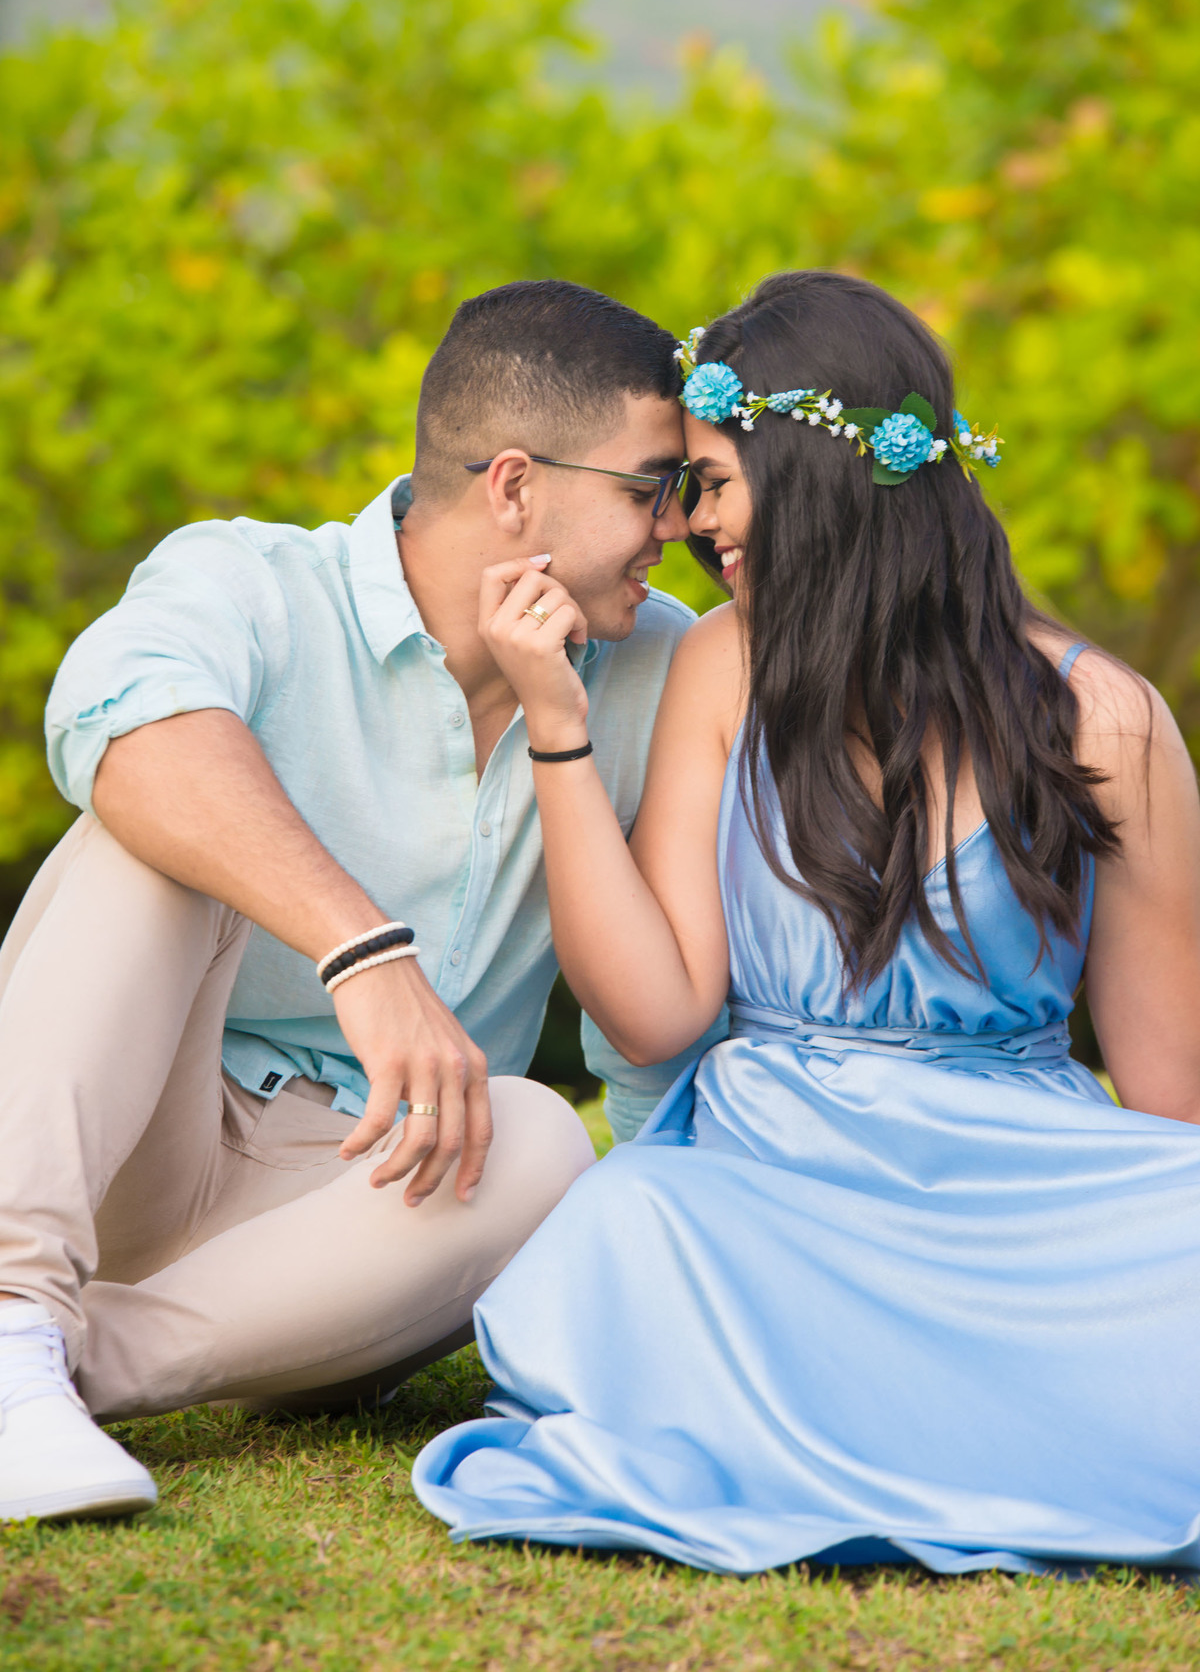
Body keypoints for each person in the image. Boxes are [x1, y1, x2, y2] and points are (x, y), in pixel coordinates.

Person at [414, 269, 1200, 1577]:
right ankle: (932, 1420)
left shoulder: (1105, 717)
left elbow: (1172, 1099)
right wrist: (557, 724)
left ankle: (1008, 1406)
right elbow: (656, 1008)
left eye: (712, 481)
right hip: (772, 1192)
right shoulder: (723, 667)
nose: (689, 521)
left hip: (1014, 1203)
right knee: (636, 1216)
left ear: (818, 473)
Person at [0, 278, 717, 1524]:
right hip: (135, 1146)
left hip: (368, 1221)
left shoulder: (656, 658)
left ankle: (72, 1367)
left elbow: (645, 1021)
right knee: (155, 802)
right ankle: (12, 1307)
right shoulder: (254, 580)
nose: (678, 527)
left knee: (545, 1133)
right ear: (514, 486)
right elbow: (110, 720)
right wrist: (365, 953)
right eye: (651, 489)